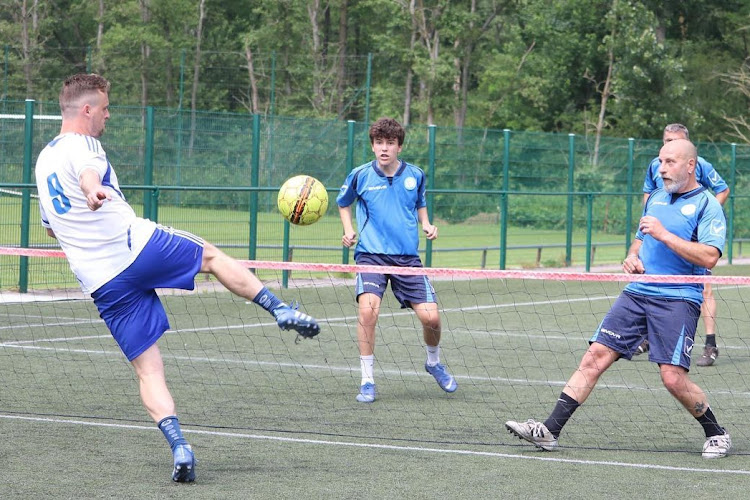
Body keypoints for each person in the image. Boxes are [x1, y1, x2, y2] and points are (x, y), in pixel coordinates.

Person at [34, 73, 320, 483]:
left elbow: (49, 226)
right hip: (133, 247)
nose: (108, 115)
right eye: (105, 108)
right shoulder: (85, 145)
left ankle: (179, 446)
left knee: (149, 371)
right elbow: (88, 175)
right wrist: (93, 190)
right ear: (86, 110)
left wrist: (83, 206)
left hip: (100, 282)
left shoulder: (43, 161)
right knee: (211, 256)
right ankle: (279, 308)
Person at [505, 138, 731, 458]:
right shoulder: (655, 198)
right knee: (594, 356)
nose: (662, 169)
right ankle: (549, 430)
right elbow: (639, 240)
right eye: (660, 162)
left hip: (678, 298)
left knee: (671, 377)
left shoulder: (708, 205)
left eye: (670, 162)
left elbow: (709, 256)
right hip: (638, 293)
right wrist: (632, 258)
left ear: (691, 165)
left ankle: (716, 432)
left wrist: (665, 234)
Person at [336, 117, 457, 403]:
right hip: (371, 256)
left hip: (407, 259)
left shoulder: (416, 174)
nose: (384, 148)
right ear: (373, 145)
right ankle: (367, 380)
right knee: (368, 312)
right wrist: (349, 230)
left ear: (399, 146)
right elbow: (343, 204)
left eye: (390, 143)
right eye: (379, 143)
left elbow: (420, 203)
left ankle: (433, 362)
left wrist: (426, 224)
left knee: (432, 319)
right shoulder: (360, 175)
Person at [636, 123, 729, 366]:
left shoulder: (700, 165)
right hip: (659, 234)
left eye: (674, 140)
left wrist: (701, 224)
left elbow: (723, 189)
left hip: (688, 240)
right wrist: (647, 224)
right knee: (648, 279)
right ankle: (648, 337)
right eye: (666, 140)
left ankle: (710, 344)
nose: (669, 145)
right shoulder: (655, 165)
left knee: (704, 289)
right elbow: (648, 195)